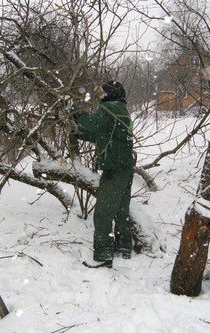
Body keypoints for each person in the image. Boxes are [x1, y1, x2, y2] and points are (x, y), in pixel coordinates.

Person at [71, 81, 135, 269]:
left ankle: (103, 253)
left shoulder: (110, 108)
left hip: (114, 169)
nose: (99, 96)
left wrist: (74, 110)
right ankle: (123, 247)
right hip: (125, 167)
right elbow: (101, 133)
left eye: (102, 93)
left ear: (110, 94)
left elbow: (92, 125)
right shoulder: (122, 110)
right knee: (121, 210)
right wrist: (79, 132)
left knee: (103, 214)